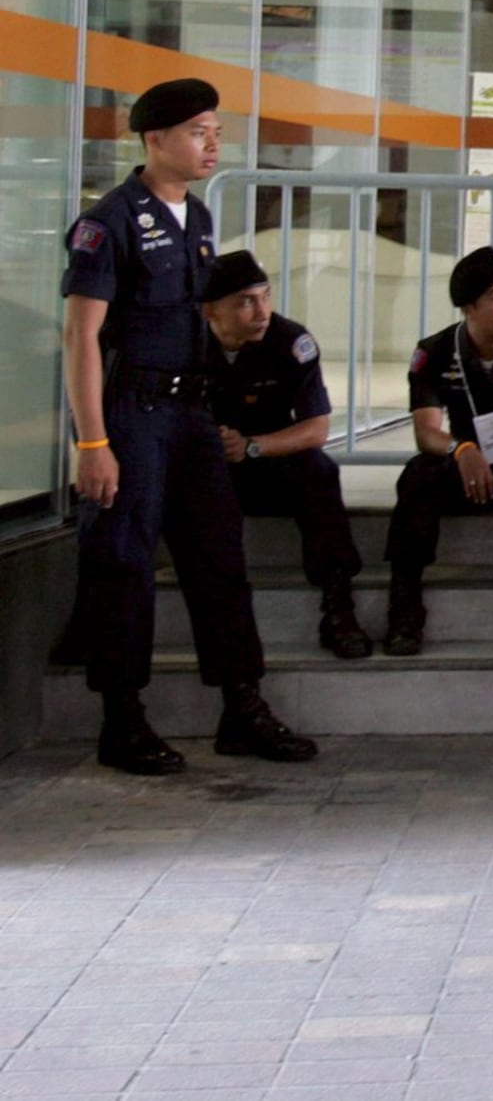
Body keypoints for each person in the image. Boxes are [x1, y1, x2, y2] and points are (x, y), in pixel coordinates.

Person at [60, 78, 315, 775]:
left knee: (219, 559)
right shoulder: (108, 222)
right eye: (199, 132)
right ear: (155, 139)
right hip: (132, 414)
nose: (213, 144)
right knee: (124, 564)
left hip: (190, 413)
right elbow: (81, 337)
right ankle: (122, 721)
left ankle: (242, 707)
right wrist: (92, 442)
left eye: (216, 131)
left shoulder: (197, 218)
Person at [386, 246, 493, 658]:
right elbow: (427, 431)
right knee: (417, 475)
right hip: (471, 473)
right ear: (469, 309)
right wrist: (460, 448)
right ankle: (404, 613)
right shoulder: (435, 351)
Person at [200, 252, 370, 660]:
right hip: (202, 467)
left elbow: (316, 429)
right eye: (245, 302)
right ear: (210, 311)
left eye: (265, 297)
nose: (262, 312)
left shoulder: (290, 342)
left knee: (319, 470)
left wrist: (251, 446)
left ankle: (338, 607)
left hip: (266, 461)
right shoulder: (184, 343)